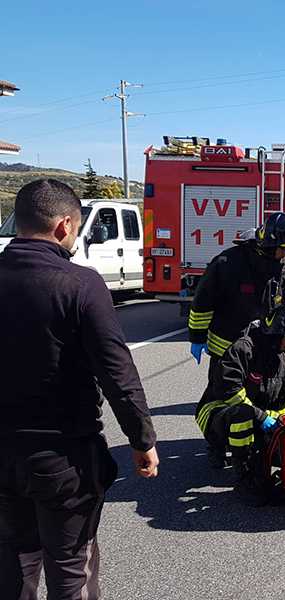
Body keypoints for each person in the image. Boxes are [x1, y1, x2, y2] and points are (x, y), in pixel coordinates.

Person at [0, 179, 159, 599]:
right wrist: (142, 439)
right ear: (64, 225)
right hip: (64, 456)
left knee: (14, 562)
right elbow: (116, 371)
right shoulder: (79, 283)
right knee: (72, 567)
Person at [189, 211, 285, 467]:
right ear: (270, 243)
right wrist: (197, 336)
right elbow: (203, 300)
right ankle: (217, 445)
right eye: (284, 249)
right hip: (226, 344)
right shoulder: (229, 262)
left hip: (263, 344)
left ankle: (253, 439)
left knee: (260, 393)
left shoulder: (283, 266)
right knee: (223, 396)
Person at [195, 304, 285, 505]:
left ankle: (257, 462)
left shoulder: (281, 357)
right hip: (217, 413)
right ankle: (242, 477)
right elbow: (229, 392)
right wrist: (261, 417)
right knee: (243, 416)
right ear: (276, 333)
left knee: (284, 455)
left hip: (257, 416)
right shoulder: (243, 349)